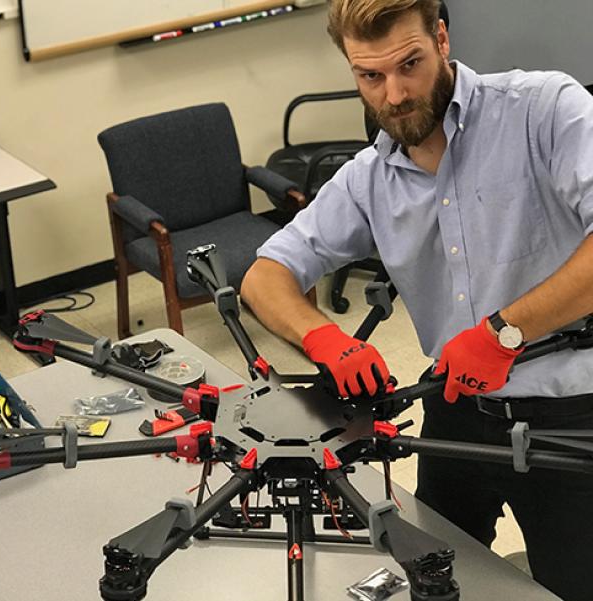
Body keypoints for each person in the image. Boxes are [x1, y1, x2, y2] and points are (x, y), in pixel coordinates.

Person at [240, 1, 593, 599]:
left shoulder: (544, 109)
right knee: (434, 578)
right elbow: (264, 276)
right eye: (370, 76)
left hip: (572, 418)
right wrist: (324, 337)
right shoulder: (365, 179)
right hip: (453, 416)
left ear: (442, 39)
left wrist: (504, 332)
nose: (395, 94)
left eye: (410, 64)